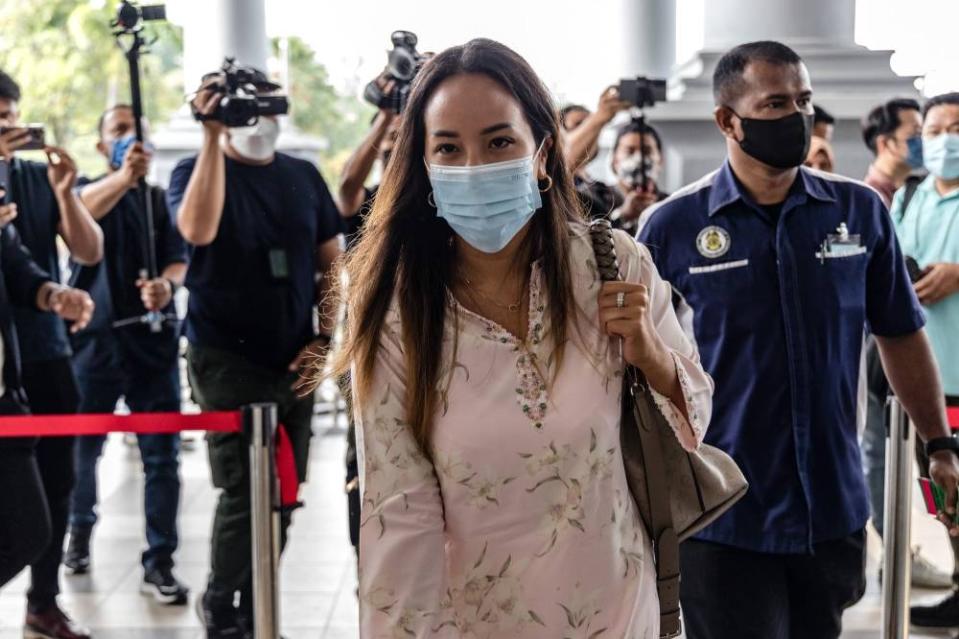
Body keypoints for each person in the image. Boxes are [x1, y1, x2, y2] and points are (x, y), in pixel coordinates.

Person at [328, 38, 712, 637]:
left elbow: (697, 415)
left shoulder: (615, 267)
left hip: (616, 607)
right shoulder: (395, 307)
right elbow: (398, 511)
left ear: (542, 152)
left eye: (499, 142)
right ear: (424, 167)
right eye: (448, 149)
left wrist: (651, 353)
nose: (475, 167)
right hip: (476, 619)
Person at [637, 41, 959, 639]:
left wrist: (938, 442)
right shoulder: (673, 227)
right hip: (723, 513)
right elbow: (629, 363)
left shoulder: (858, 213)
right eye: (776, 102)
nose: (796, 115)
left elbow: (902, 333)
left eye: (804, 99)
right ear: (728, 121)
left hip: (830, 508)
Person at [168, 64, 343, 637]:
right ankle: (222, 602)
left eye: (269, 103)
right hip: (226, 358)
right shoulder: (195, 169)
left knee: (287, 492)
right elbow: (195, 230)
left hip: (295, 355)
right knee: (246, 488)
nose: (258, 117)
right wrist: (213, 134)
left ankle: (254, 601)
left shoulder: (302, 175)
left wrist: (324, 339)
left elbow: (332, 266)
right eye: (246, 105)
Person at [62, 104, 189, 606]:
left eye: (135, 130)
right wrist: (122, 175)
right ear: (101, 145)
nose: (128, 137)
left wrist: (165, 285)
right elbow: (82, 212)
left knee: (162, 459)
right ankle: (77, 535)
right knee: (82, 452)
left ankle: (160, 559)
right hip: (92, 345)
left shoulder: (158, 200)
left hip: (151, 346)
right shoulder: (84, 191)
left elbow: (180, 258)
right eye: (117, 130)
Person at [0, 69, 103, 639]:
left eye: (11, 117)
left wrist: (68, 196)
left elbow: (86, 250)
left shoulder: (38, 179)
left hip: (38, 352)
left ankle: (44, 600)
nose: (8, 128)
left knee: (57, 482)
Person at [855, 96, 948, 588]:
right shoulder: (896, 198)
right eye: (927, 131)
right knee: (900, 463)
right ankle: (908, 554)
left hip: (938, 364)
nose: (936, 142)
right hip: (909, 366)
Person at [893, 92, 959, 629]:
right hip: (928, 383)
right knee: (944, 493)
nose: (944, 140)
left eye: (956, 128)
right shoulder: (909, 195)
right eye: (935, 130)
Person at [338, 73, 400, 250]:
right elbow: (347, 185)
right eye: (391, 136)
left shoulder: (428, 198)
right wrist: (386, 114)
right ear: (377, 147)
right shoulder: (363, 201)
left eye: (404, 136)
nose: (396, 145)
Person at [862, 98, 923, 207]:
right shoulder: (868, 199)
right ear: (885, 143)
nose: (924, 141)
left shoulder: (916, 189)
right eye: (916, 134)